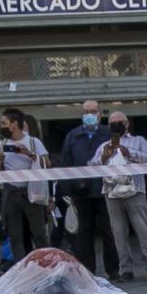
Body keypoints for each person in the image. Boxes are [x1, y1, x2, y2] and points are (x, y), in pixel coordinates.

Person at [94, 110, 147, 280]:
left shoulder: (139, 141)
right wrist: (104, 156)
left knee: (143, 229)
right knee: (118, 232)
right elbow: (91, 165)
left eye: (120, 122)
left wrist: (129, 153)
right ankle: (126, 269)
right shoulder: (104, 145)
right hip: (112, 192)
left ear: (127, 123)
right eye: (113, 123)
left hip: (135, 189)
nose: (117, 125)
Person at [59, 99, 116, 275]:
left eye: (93, 111)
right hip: (81, 192)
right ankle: (87, 271)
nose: (89, 115)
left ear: (100, 113)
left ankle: (113, 269)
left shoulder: (109, 133)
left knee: (109, 231)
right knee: (84, 233)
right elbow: (66, 163)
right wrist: (67, 190)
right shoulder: (73, 136)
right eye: (86, 112)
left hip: (106, 189)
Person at [0, 108, 53, 266]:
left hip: (31, 193)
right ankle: (21, 270)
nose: (1, 126)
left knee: (39, 234)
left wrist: (30, 155)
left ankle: (47, 268)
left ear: (14, 124)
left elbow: (47, 164)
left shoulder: (34, 142)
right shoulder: (2, 144)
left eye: (4, 123)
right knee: (15, 236)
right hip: (11, 193)